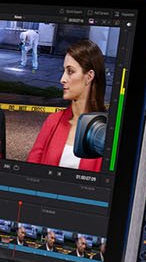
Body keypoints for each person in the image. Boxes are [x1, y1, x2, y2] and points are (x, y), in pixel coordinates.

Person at [28, 39, 106, 171]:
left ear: (89, 76)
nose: (62, 79)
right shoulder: (53, 121)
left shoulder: (108, 131)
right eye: (64, 71)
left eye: (70, 71)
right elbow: (31, 169)